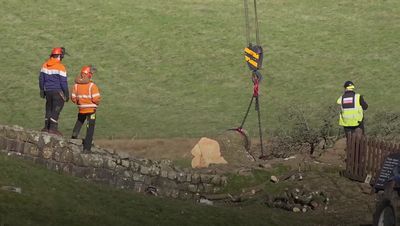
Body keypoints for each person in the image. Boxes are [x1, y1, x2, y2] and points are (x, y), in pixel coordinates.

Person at [39, 47, 69, 135]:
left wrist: (42, 89)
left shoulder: (44, 65)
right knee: (56, 109)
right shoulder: (61, 67)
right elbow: (63, 82)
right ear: (59, 56)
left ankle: (46, 127)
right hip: (58, 92)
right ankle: (52, 129)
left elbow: (41, 79)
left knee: (49, 108)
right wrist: (66, 93)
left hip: (48, 91)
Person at [71, 65, 101, 153]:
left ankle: (73, 138)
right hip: (91, 110)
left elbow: (73, 98)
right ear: (89, 75)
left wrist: (80, 103)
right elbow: (96, 98)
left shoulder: (76, 86)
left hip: (81, 109)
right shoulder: (92, 86)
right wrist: (97, 103)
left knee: (79, 122)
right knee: (90, 128)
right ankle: (87, 148)